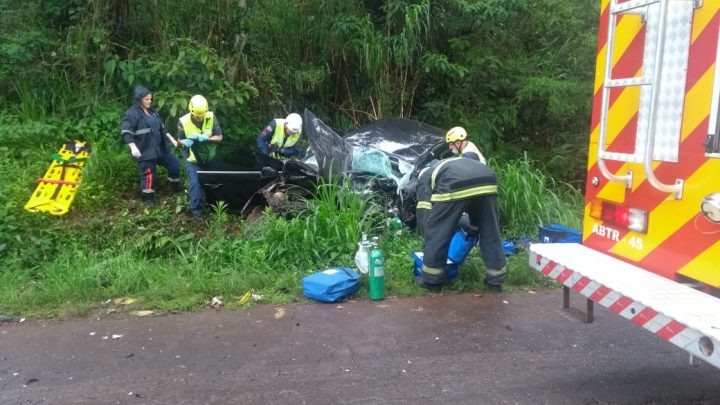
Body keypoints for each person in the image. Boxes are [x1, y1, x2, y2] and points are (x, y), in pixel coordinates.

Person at [414, 157, 506, 293]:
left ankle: (431, 282)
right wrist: (474, 226)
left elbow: (425, 211)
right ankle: (495, 281)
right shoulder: (451, 163)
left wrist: (428, 236)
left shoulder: (425, 177)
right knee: (490, 231)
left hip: (455, 182)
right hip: (488, 181)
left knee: (437, 232)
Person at [121, 85, 182, 206]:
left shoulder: (152, 112)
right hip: (145, 150)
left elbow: (162, 128)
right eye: (147, 99)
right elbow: (127, 132)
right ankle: (148, 198)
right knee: (149, 174)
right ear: (139, 99)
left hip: (160, 148)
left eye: (150, 99)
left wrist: (172, 140)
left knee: (174, 163)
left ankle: (174, 187)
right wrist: (133, 147)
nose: (150, 101)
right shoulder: (131, 113)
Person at [177, 95, 223, 219]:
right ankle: (196, 211)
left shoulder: (211, 117)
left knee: (216, 180)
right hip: (193, 157)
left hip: (210, 155)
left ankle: (217, 205)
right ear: (191, 111)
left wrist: (207, 139)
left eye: (201, 115)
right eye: (197, 116)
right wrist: (184, 142)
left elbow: (219, 137)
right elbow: (179, 139)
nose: (199, 118)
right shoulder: (183, 121)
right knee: (195, 182)